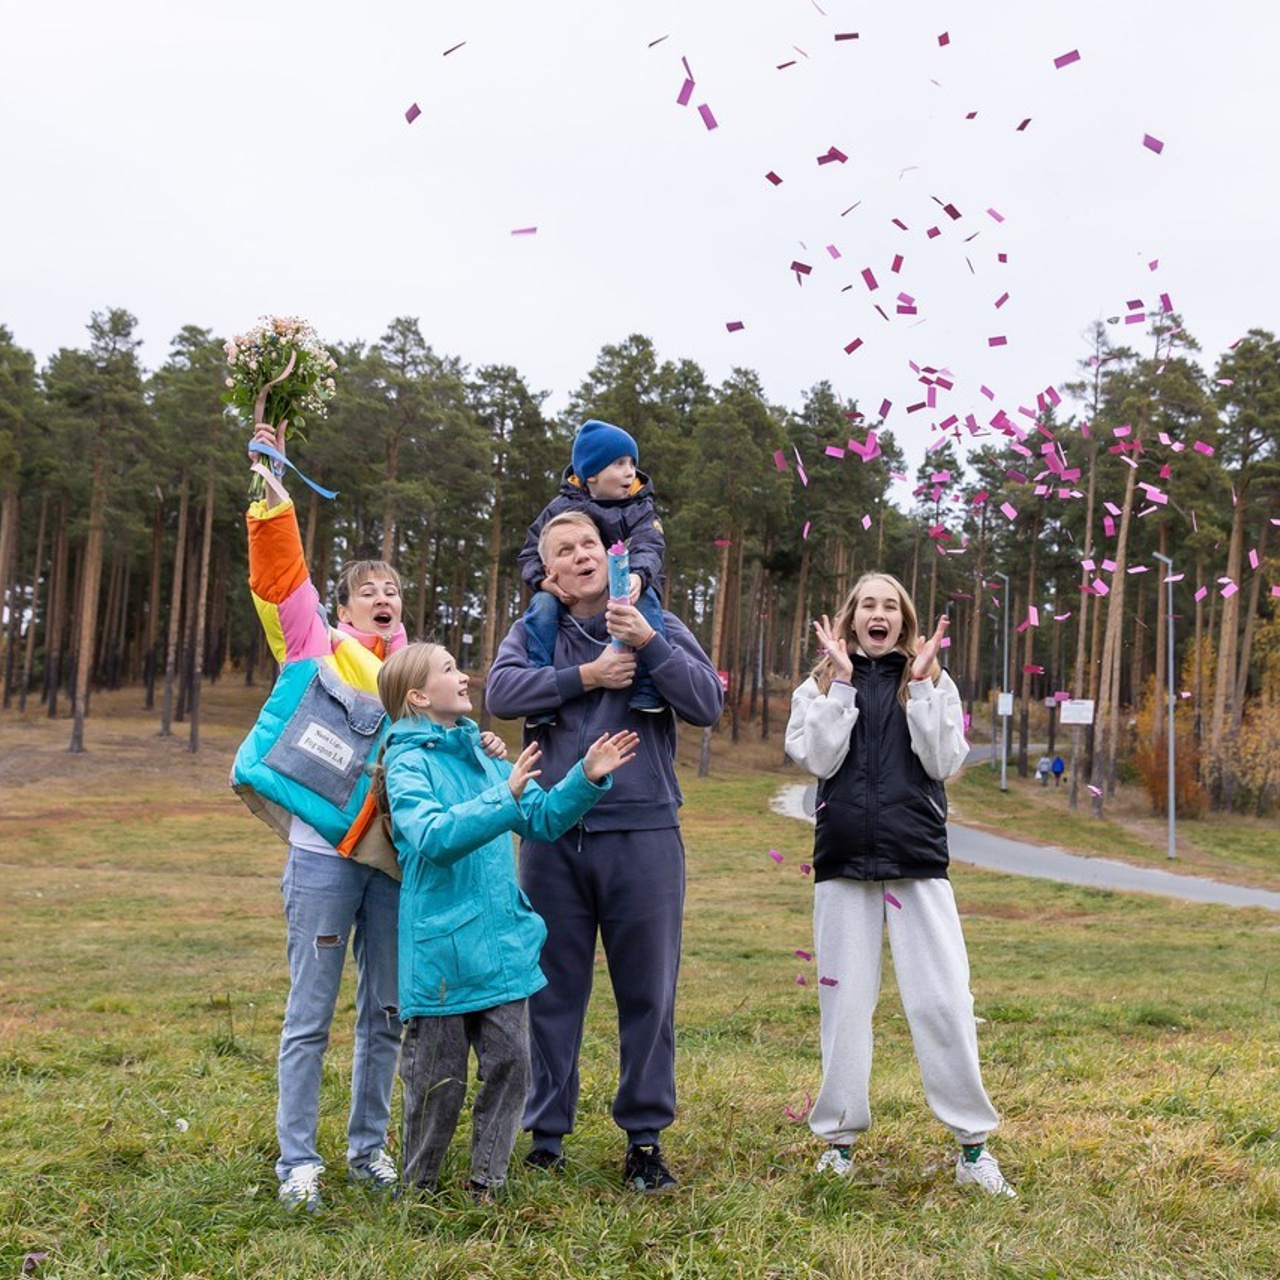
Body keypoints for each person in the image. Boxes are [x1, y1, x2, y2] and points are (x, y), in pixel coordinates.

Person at [232, 425, 504, 1214]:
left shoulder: (416, 672)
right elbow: (284, 581)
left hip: (395, 866)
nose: (384, 598)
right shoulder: (318, 648)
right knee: (311, 1013)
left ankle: (366, 1151)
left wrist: (479, 740)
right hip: (323, 856)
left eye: (392, 589)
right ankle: (297, 1162)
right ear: (343, 606)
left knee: (388, 1011)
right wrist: (272, 497)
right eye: (368, 591)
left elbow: (446, 750)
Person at [487, 511, 725, 1192]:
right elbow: (500, 693)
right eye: (564, 551)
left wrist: (648, 643)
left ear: (608, 554)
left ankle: (645, 1141)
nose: (581, 555)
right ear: (553, 576)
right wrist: (588, 675)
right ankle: (547, 1137)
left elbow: (707, 703)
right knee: (551, 990)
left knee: (647, 992)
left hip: (644, 833)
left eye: (589, 543)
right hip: (553, 838)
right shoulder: (538, 633)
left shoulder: (654, 619)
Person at [377, 643, 639, 1199]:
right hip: (442, 953)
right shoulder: (406, 763)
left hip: (501, 946)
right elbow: (431, 838)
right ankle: (419, 1188)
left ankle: (485, 1182)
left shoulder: (487, 756)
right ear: (419, 696)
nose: (464, 675)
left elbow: (541, 819)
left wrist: (585, 778)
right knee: (435, 1084)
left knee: (513, 1066)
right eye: (449, 669)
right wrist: (503, 794)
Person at [784, 572, 1015, 1198]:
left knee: (943, 1002)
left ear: (905, 620)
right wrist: (843, 686)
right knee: (846, 1006)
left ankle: (972, 1149)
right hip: (842, 868)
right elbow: (817, 761)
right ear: (851, 619)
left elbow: (944, 763)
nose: (878, 614)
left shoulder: (934, 681)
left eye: (890, 605)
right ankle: (838, 1144)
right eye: (867, 606)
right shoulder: (820, 685)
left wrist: (923, 689)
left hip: (918, 863)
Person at [518, 418, 667, 718]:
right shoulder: (559, 509)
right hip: (571, 594)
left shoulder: (639, 508)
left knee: (648, 601)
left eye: (632, 463)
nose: (630, 472)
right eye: (620, 463)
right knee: (542, 608)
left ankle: (650, 684)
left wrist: (639, 574)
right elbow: (530, 552)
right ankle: (540, 681)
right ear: (592, 475)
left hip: (628, 584)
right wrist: (543, 582)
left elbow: (650, 544)